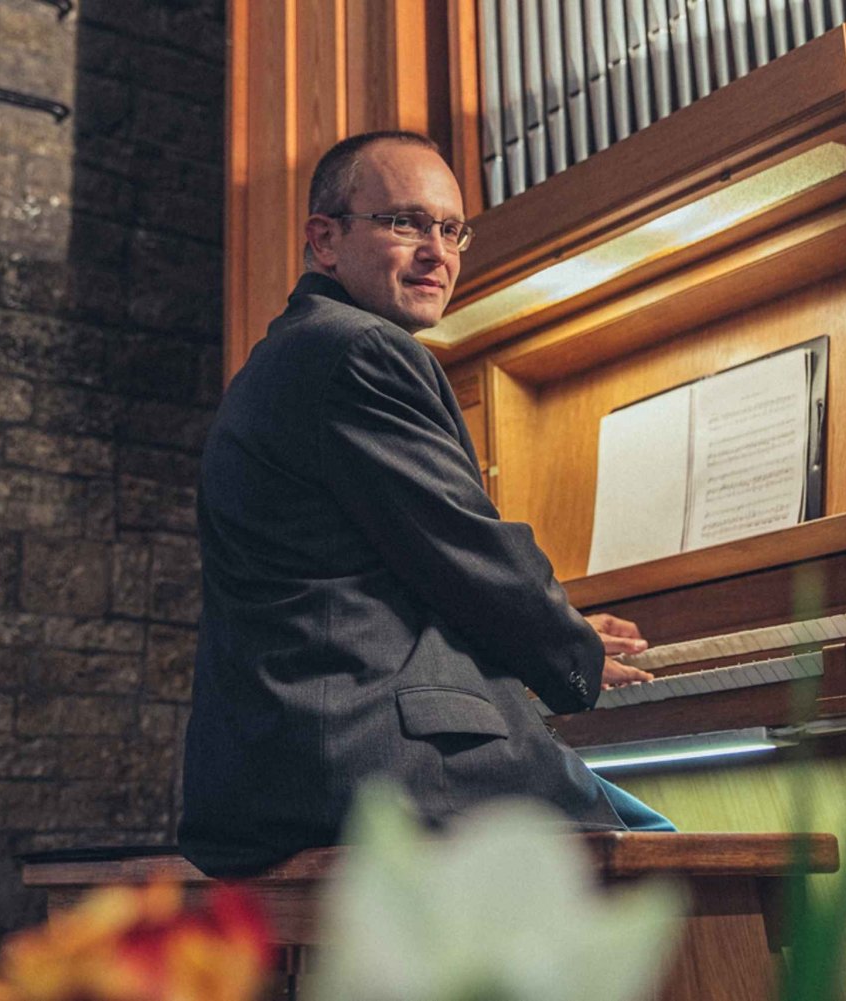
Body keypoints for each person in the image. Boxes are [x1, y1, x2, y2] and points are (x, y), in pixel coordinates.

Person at [179, 130, 673, 877]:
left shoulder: (291, 353)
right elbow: (467, 548)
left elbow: (398, 573)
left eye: (451, 230)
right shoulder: (359, 350)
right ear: (325, 239)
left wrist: (556, 632)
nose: (436, 252)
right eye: (405, 223)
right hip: (371, 758)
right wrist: (570, 649)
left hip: (289, 755)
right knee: (668, 861)